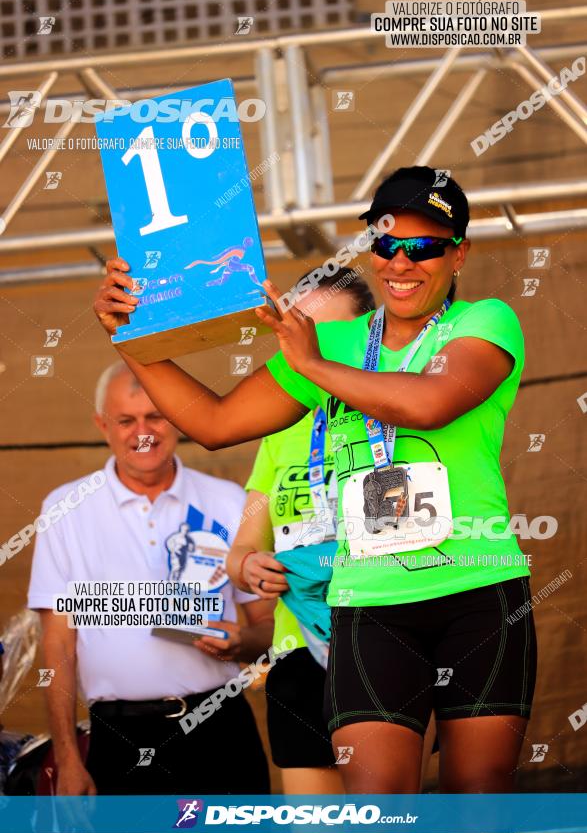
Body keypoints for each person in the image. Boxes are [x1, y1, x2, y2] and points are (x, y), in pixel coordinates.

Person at [93, 165, 536, 795]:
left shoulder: (487, 321)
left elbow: (429, 402)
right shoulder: (333, 340)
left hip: (477, 590)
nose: (402, 262)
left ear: (459, 252)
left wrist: (310, 363)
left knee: (477, 808)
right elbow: (215, 422)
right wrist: (130, 339)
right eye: (387, 243)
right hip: (368, 603)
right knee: (376, 812)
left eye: (425, 246)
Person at [27, 361, 272, 796]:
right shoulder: (64, 509)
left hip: (220, 728)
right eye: (126, 420)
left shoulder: (229, 501)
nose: (143, 432)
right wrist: (66, 756)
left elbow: (269, 627)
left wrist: (243, 644)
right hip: (118, 739)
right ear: (103, 425)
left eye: (156, 415)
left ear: (176, 418)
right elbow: (58, 645)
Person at [227, 267, 375, 795]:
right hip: (299, 652)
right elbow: (243, 547)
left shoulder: (390, 413)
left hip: (380, 642)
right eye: (299, 328)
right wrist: (247, 566)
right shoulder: (278, 426)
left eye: (328, 334)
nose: (309, 346)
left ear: (368, 335)